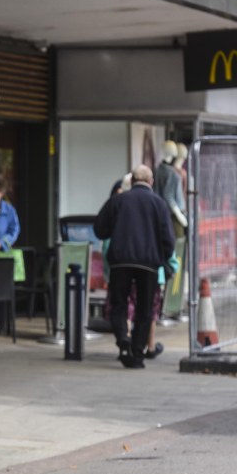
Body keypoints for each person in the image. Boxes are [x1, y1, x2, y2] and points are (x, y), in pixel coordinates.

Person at [94, 165, 175, 369]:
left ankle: (123, 340)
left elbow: (99, 229)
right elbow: (169, 239)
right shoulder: (159, 203)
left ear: (131, 181)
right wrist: (164, 258)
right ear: (151, 181)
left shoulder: (118, 201)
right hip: (148, 264)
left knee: (119, 304)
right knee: (144, 309)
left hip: (120, 261)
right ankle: (138, 353)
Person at [153, 140, 188, 238]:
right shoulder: (172, 173)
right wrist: (180, 216)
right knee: (177, 246)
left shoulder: (157, 170)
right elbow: (168, 196)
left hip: (161, 213)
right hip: (174, 216)